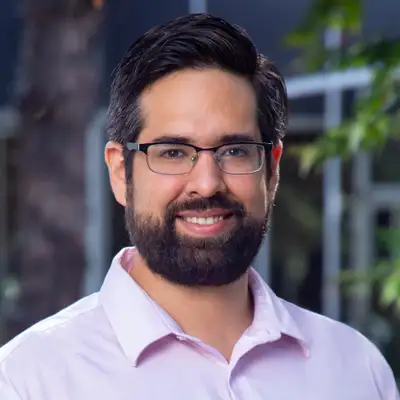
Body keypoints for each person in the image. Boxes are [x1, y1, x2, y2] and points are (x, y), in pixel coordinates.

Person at [0, 13, 399, 400]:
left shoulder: (355, 369)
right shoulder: (31, 380)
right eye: (173, 152)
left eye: (235, 150)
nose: (207, 183)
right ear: (121, 172)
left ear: (272, 171)